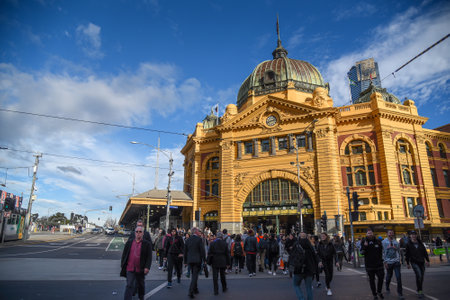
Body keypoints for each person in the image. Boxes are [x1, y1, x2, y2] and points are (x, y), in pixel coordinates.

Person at [120, 226, 152, 300]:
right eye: (137, 232)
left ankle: (141, 297)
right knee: (129, 285)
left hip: (140, 269)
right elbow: (124, 254)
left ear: (143, 233)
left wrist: (147, 267)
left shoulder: (147, 244)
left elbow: (149, 257)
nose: (138, 233)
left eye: (140, 232)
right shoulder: (129, 242)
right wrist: (122, 264)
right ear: (134, 233)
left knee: (140, 285)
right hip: (130, 268)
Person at [290, 231, 319, 300]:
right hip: (309, 269)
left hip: (298, 268)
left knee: (296, 285)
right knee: (308, 287)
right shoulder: (310, 246)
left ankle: (301, 298)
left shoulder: (296, 245)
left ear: (299, 237)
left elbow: (292, 256)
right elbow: (315, 257)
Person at [360, 228, 384, 300]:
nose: (370, 234)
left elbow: (381, 251)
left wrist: (382, 260)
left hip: (379, 264)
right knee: (372, 280)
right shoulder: (364, 241)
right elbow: (361, 253)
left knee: (381, 278)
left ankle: (379, 291)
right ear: (366, 234)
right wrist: (365, 246)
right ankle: (374, 294)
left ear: (373, 233)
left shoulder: (378, 241)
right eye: (368, 233)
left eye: (371, 233)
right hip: (369, 265)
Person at [405, 230, 430, 299]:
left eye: (415, 234)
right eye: (412, 234)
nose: (413, 236)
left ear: (416, 235)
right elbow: (407, 254)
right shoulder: (408, 244)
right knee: (419, 274)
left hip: (421, 261)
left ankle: (419, 288)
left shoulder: (420, 243)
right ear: (410, 236)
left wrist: (427, 260)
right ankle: (420, 291)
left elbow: (424, 252)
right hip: (414, 262)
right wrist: (407, 263)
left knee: (421, 276)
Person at [184, 227, 206, 299]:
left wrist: (185, 261)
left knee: (194, 274)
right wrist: (204, 259)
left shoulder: (188, 240)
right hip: (197, 260)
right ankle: (191, 291)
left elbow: (185, 251)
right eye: (198, 231)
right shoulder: (199, 239)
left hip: (190, 260)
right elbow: (202, 250)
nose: (199, 232)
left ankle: (195, 289)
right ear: (196, 232)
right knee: (195, 276)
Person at [382, 229, 403, 299]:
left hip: (396, 262)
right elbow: (383, 253)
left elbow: (399, 251)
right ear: (387, 234)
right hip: (388, 262)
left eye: (392, 233)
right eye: (389, 233)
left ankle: (400, 293)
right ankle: (387, 286)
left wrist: (399, 259)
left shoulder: (396, 242)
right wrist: (385, 262)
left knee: (398, 278)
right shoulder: (384, 242)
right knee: (389, 276)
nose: (391, 234)